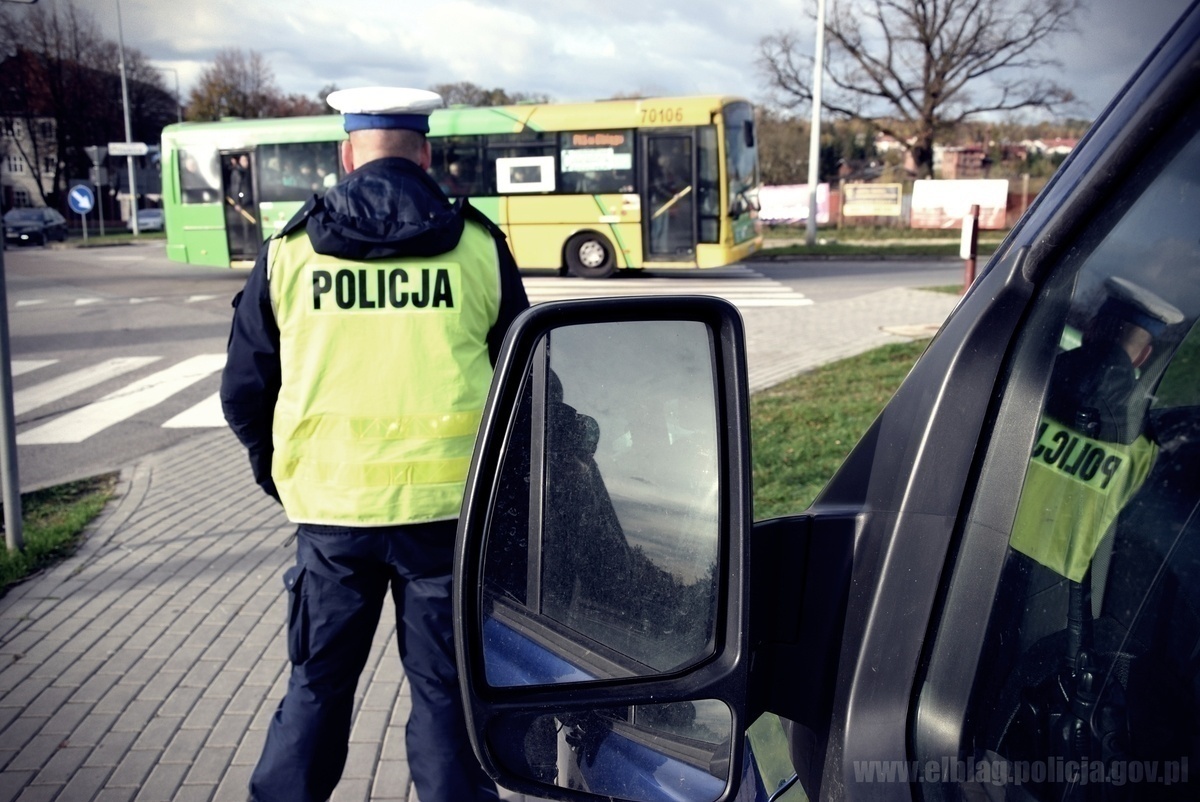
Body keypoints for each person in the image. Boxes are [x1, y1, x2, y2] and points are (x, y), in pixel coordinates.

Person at [220, 86, 529, 802]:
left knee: (318, 688)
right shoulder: (479, 247)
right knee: (448, 699)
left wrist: (286, 473)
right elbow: (529, 380)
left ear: (347, 153)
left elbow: (243, 391)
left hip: (332, 521)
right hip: (448, 522)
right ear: (424, 152)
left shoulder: (290, 251)